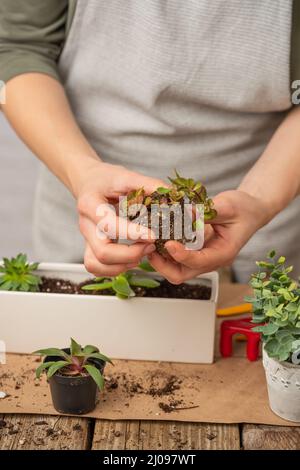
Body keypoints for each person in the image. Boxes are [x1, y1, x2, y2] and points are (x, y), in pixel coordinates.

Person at [1, 0, 300, 284]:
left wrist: (260, 199)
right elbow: (17, 48)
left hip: (263, 217)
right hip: (84, 203)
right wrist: (83, 172)